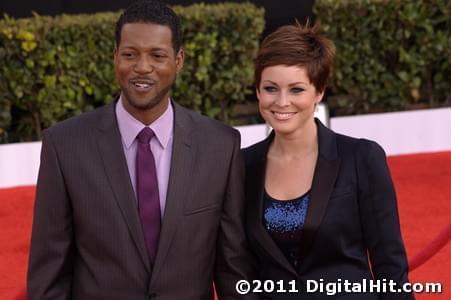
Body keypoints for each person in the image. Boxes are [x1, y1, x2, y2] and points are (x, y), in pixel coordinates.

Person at [27, 1, 256, 299]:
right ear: (115, 58)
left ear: (179, 60)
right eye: (130, 54)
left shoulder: (220, 146)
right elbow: (49, 276)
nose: (142, 67)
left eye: (157, 55)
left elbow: (233, 270)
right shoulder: (65, 146)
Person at [243, 23, 413, 299]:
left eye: (297, 90)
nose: (282, 102)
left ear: (319, 92)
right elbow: (243, 267)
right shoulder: (243, 166)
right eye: (271, 88)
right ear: (258, 91)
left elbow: (390, 265)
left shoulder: (361, 158)